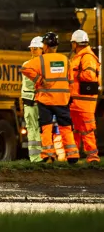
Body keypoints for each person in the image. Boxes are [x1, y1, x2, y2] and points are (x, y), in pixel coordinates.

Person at [21, 32, 79, 163]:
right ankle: (72, 155)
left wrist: (39, 80)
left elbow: (25, 69)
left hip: (46, 100)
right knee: (66, 127)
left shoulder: (41, 60)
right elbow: (71, 80)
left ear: (45, 46)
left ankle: (48, 155)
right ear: (56, 46)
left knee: (46, 127)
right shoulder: (65, 60)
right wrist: (70, 96)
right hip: (62, 99)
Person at [68, 29, 100, 163]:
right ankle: (73, 156)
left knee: (87, 129)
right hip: (77, 101)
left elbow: (89, 75)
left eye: (72, 43)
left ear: (75, 43)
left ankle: (93, 157)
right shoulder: (79, 56)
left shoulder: (87, 57)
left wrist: (74, 74)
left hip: (85, 102)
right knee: (75, 129)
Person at [21, 36, 43, 162]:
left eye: (35, 48)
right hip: (35, 102)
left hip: (34, 102)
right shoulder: (31, 65)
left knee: (35, 129)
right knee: (35, 129)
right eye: (32, 48)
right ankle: (37, 157)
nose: (33, 50)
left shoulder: (28, 65)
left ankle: (37, 157)